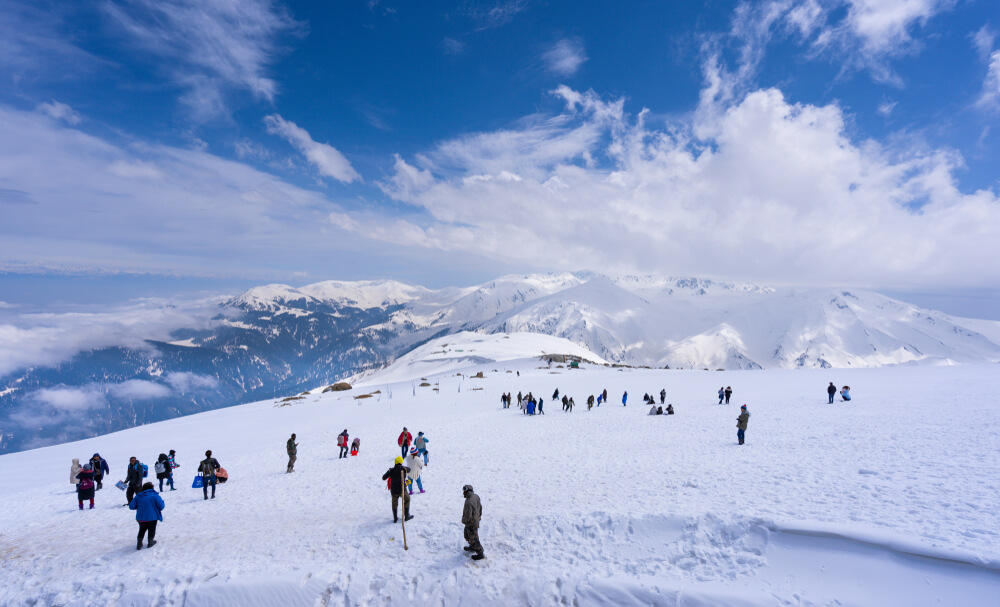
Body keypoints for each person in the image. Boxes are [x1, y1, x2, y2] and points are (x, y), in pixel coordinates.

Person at [129, 481, 164, 550]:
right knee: (151, 529)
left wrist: (138, 506)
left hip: (141, 517)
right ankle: (150, 542)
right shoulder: (155, 496)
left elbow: (131, 506)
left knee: (142, 529)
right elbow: (161, 506)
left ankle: (139, 543)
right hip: (152, 517)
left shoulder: (138, 496)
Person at [381, 456, 412, 523]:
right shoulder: (403, 469)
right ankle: (406, 516)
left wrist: (389, 472)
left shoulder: (391, 470)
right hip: (402, 490)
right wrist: (404, 467)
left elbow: (383, 478)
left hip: (394, 491)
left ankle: (395, 518)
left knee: (394, 503)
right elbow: (409, 469)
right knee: (407, 499)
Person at [461, 484, 485, 560]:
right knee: (468, 536)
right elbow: (480, 507)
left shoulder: (469, 501)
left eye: (464, 491)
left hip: (471, 523)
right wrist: (479, 516)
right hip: (475, 520)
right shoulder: (476, 496)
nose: (463, 493)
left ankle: (480, 554)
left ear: (467, 491)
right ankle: (472, 547)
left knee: (474, 539)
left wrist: (463, 520)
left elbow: (468, 516)